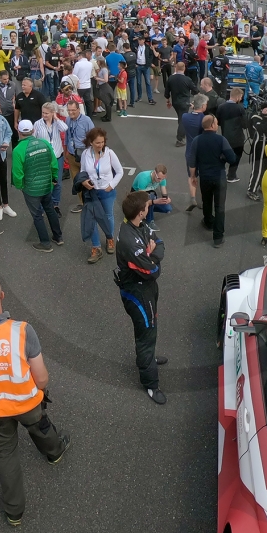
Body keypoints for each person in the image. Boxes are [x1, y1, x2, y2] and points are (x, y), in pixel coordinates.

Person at [0, 273, 70, 526]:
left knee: (4, 455)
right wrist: (39, 391)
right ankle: (54, 452)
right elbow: (40, 376)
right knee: (40, 427)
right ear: (2, 296)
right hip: (28, 402)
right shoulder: (22, 331)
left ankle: (14, 512)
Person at [115, 191, 168, 405]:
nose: (149, 208)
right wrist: (150, 255)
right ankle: (150, 384)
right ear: (140, 212)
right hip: (136, 292)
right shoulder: (130, 240)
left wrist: (151, 254)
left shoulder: (138, 225)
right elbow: (152, 271)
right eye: (147, 206)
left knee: (150, 328)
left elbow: (160, 242)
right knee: (146, 333)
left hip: (145, 288)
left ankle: (149, 360)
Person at [11, 119, 63, 252]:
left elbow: (17, 174)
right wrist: (54, 178)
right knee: (50, 209)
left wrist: (20, 186)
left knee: (37, 215)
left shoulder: (18, 150)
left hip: (31, 189)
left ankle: (45, 243)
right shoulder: (44, 143)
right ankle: (58, 237)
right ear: (33, 130)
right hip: (46, 185)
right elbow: (54, 164)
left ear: (19, 131)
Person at [191, 115, 237, 248]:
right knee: (220, 207)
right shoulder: (221, 140)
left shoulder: (196, 140)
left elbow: (192, 161)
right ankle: (218, 237)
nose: (217, 125)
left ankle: (208, 221)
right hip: (219, 177)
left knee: (206, 201)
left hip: (205, 177)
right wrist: (222, 157)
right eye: (216, 123)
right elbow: (232, 158)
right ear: (212, 125)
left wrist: (193, 176)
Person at [79, 127, 123, 262]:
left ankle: (110, 239)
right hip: (91, 192)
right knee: (92, 219)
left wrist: (111, 186)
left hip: (106, 191)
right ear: (91, 142)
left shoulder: (110, 153)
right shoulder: (85, 154)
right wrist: (84, 181)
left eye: (102, 142)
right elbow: (82, 172)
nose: (101, 145)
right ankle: (96, 247)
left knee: (108, 216)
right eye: (97, 143)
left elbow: (120, 171)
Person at [32, 102, 69, 216]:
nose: (44, 115)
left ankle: (55, 205)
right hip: (44, 158)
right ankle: (44, 206)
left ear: (53, 113)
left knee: (57, 183)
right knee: (45, 183)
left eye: (47, 113)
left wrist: (56, 119)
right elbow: (33, 139)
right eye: (43, 112)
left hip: (58, 157)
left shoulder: (57, 123)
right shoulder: (37, 124)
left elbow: (65, 128)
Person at [65, 99, 95, 214]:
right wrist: (66, 151)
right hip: (72, 156)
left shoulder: (86, 120)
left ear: (78, 109)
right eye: (69, 110)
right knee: (77, 181)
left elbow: (93, 137)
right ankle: (83, 203)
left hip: (85, 157)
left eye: (73, 110)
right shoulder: (68, 120)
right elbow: (67, 137)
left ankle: (92, 202)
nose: (71, 113)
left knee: (88, 180)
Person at [182, 93, 209, 211]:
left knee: (191, 176)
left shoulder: (185, 117)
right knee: (203, 176)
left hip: (190, 152)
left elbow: (191, 114)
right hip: (203, 153)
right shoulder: (205, 119)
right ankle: (203, 200)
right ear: (202, 106)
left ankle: (193, 198)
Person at [246, 96, 267, 201]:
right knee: (257, 169)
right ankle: (251, 190)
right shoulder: (255, 117)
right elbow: (261, 129)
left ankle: (262, 186)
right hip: (258, 145)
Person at [216, 88, 246, 183]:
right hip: (238, 138)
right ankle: (231, 175)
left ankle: (220, 174)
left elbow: (218, 122)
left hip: (225, 136)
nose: (241, 99)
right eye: (241, 97)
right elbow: (245, 125)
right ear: (237, 96)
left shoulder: (221, 107)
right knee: (236, 157)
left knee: (223, 156)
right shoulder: (240, 108)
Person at [165, 61, 198, 145]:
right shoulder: (187, 79)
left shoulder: (171, 78)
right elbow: (195, 90)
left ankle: (181, 132)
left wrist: (168, 101)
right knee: (183, 120)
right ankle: (180, 139)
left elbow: (167, 92)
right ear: (184, 68)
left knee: (180, 117)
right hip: (185, 102)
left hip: (175, 102)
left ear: (176, 68)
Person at [132, 164, 172, 229]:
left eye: (163, 179)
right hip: (137, 196)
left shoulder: (161, 178)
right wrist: (154, 202)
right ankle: (149, 221)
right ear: (154, 172)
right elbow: (141, 197)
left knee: (168, 208)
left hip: (149, 194)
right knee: (151, 197)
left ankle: (146, 211)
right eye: (159, 178)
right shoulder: (144, 177)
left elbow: (164, 191)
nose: (160, 181)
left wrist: (166, 199)